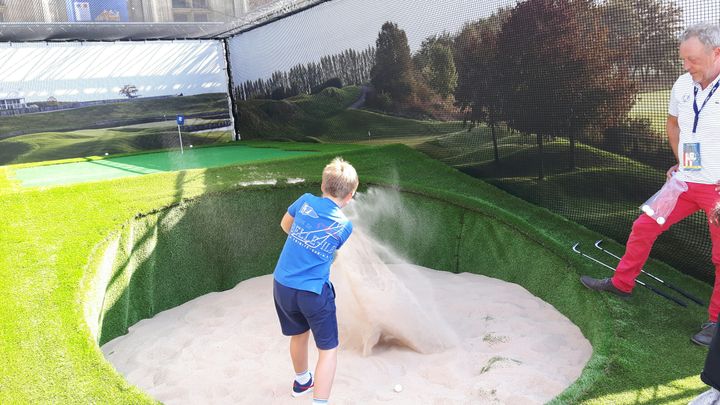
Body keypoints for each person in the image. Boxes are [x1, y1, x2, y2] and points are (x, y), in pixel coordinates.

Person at [580, 23, 720, 347]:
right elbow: (674, 125)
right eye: (683, 59)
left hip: (717, 190)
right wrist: (685, 161)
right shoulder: (683, 85)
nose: (686, 66)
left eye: (693, 59)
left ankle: (715, 322)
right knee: (644, 225)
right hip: (685, 182)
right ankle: (621, 283)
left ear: (716, 53)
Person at [272, 157, 358, 404]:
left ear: (323, 185)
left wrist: (303, 240)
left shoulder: (305, 201)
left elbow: (285, 225)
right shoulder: (344, 225)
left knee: (298, 334)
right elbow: (332, 251)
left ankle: (302, 382)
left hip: (283, 285)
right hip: (313, 293)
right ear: (350, 196)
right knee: (328, 350)